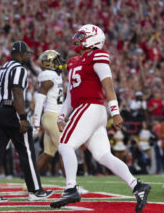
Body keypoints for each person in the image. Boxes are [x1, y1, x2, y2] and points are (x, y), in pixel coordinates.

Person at [50, 24, 151, 212]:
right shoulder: (73, 62)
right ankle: (137, 186)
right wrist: (61, 116)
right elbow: (71, 93)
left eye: (82, 36)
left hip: (91, 106)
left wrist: (115, 111)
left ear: (93, 38)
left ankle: (71, 187)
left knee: (64, 145)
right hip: (88, 109)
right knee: (103, 155)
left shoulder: (98, 55)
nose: (77, 39)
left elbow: (108, 85)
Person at [0, 41, 52, 202]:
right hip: (10, 111)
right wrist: (22, 118)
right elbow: (17, 93)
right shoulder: (19, 69)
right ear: (20, 54)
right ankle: (35, 190)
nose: (27, 56)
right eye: (26, 54)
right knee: (26, 151)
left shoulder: (0, 69)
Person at [33, 50, 65, 174]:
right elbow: (39, 99)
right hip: (52, 117)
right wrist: (36, 122)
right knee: (65, 150)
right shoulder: (48, 75)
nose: (59, 63)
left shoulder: (56, 75)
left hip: (53, 117)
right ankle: (72, 186)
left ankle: (29, 183)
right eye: (56, 61)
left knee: (48, 153)